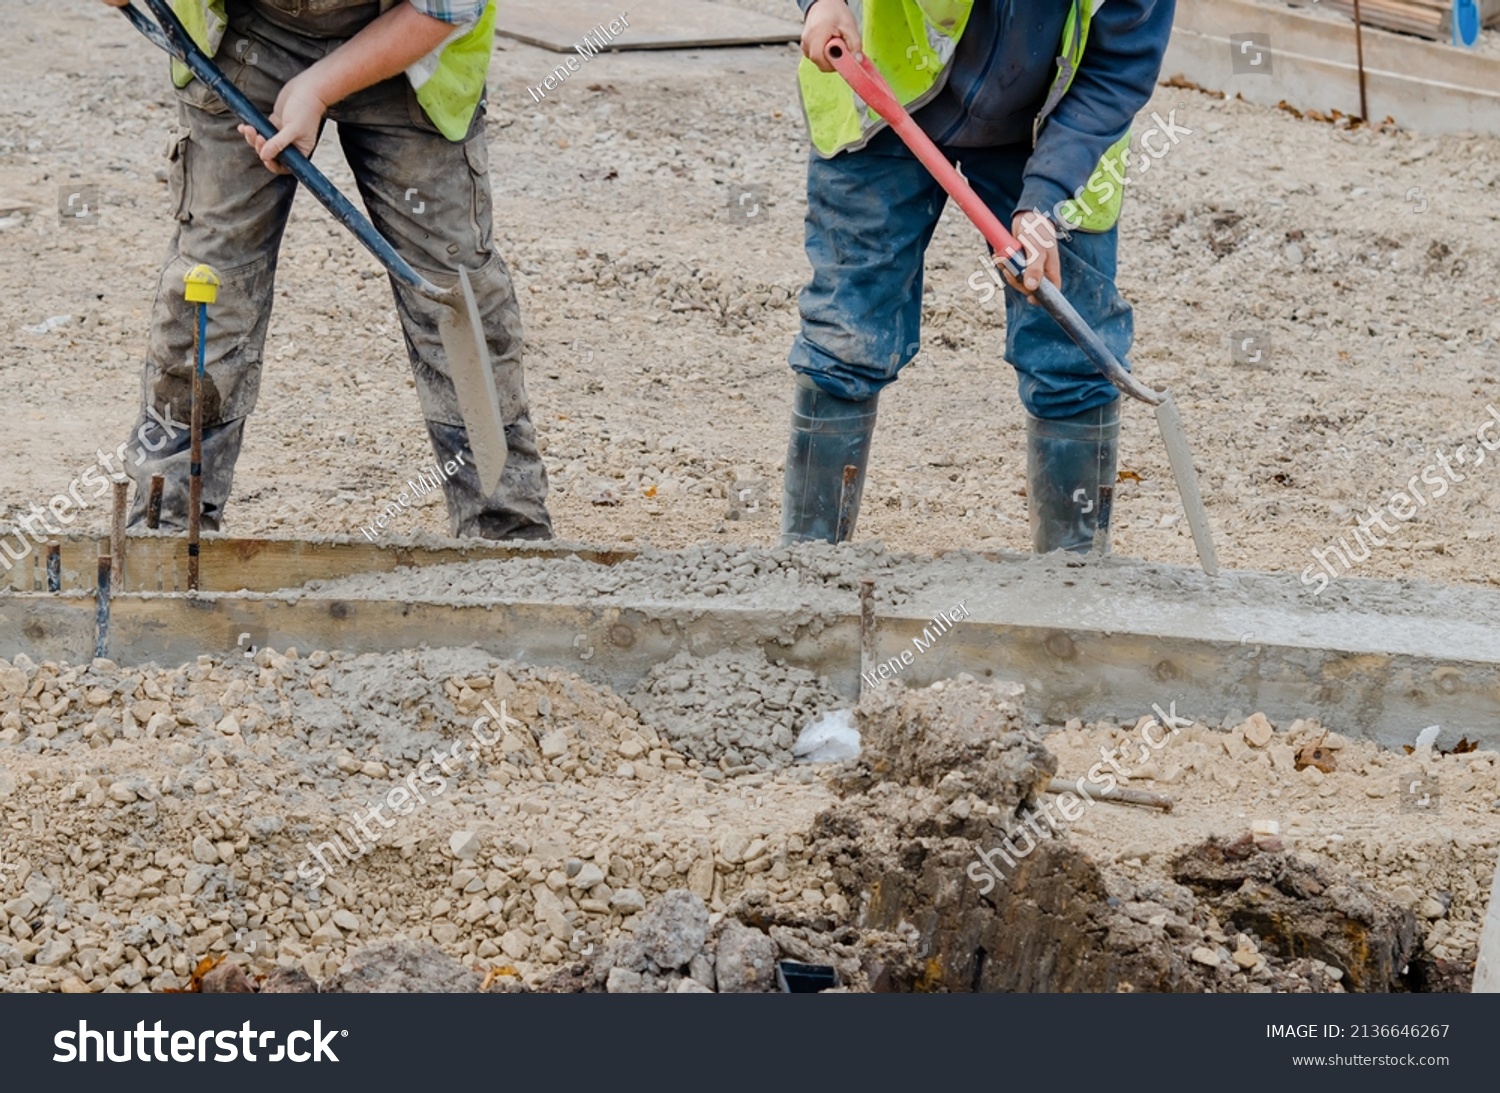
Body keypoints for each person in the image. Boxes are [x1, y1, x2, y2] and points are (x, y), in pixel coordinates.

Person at [98, 0, 552, 540]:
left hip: (410, 48)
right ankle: (166, 525)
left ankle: (506, 534)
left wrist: (316, 88)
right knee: (210, 288)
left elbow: (445, 6)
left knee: (451, 291)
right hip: (253, 35)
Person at [783, 0, 1174, 552]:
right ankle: (805, 569)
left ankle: (1073, 580)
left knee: (1070, 344)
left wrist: (1045, 198)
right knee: (848, 327)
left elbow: (1118, 65)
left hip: (1053, 125)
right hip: (881, 92)